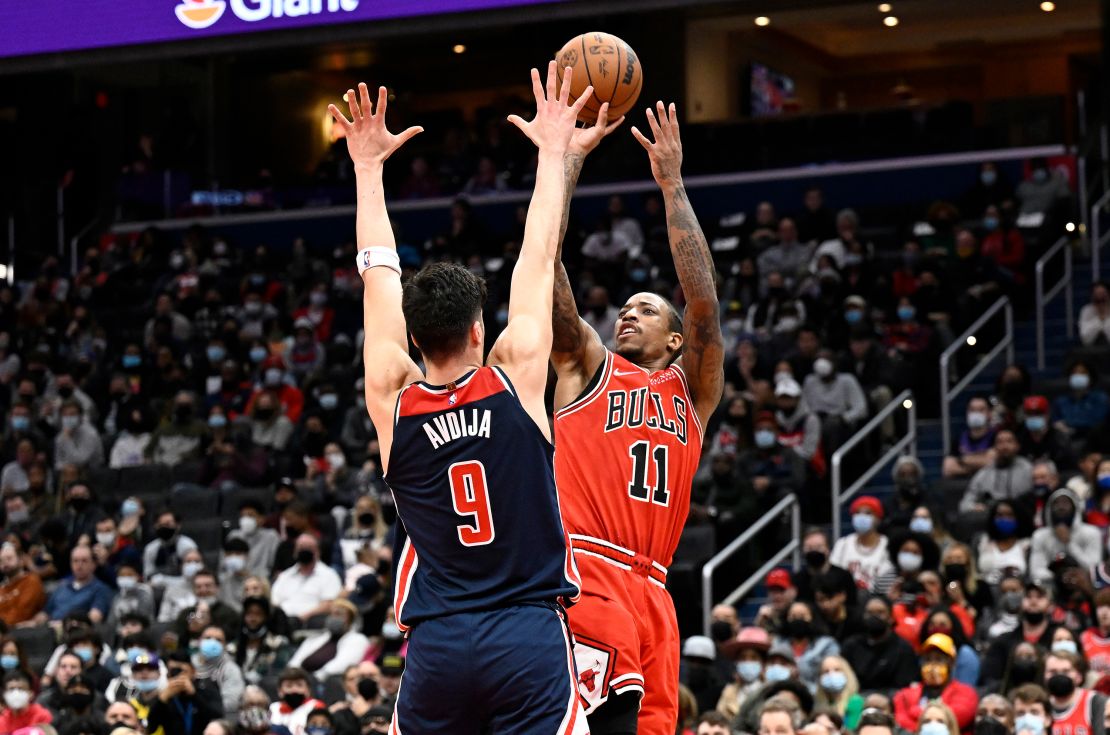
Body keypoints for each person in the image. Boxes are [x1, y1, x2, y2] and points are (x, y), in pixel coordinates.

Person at [333, 68, 591, 733]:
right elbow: (538, 254)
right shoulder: (515, 374)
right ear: (481, 328)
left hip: (439, 645)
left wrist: (367, 170)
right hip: (526, 634)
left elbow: (377, 273)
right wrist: (553, 153)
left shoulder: (393, 396)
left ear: (414, 337)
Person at [892, 633, 978, 732]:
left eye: (939, 659)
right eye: (928, 659)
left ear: (952, 663)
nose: (932, 665)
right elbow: (900, 722)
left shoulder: (967, 693)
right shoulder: (905, 694)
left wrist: (913, 712)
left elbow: (952, 721)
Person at [840, 596, 918, 693]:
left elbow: (905, 688)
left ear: (891, 618)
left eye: (880, 612)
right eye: (870, 613)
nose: (874, 617)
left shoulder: (903, 649)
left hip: (890, 702)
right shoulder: (851, 646)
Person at [1029, 487, 1102, 584]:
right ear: (1049, 509)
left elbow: (1094, 568)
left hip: (1083, 583)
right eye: (1056, 503)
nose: (1061, 507)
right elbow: (1036, 571)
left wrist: (1069, 543)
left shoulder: (1092, 532)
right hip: (1051, 583)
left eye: (1065, 503)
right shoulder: (1040, 535)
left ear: (1075, 508)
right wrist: (1060, 578)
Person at [286, 600, 368, 682]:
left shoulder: (358, 640)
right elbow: (296, 660)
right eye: (332, 614)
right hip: (301, 679)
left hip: (327, 682)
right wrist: (292, 674)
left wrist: (315, 678)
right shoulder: (318, 637)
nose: (334, 618)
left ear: (350, 619)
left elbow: (342, 665)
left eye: (338, 614)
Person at [146, 650, 224, 735]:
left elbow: (218, 718)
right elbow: (151, 728)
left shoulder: (206, 690)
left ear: (193, 671)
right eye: (172, 671)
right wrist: (162, 700)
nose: (177, 675)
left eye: (180, 670)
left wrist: (194, 695)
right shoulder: (164, 696)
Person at [269, 535, 341, 624]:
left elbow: (329, 604)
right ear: (295, 552)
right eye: (301, 548)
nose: (304, 551)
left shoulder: (329, 575)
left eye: (309, 548)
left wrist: (302, 618)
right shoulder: (285, 576)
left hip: (312, 622)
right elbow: (274, 602)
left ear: (317, 551)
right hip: (283, 622)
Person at [959, 429, 1034, 513]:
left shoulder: (1028, 469)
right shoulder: (984, 473)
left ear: (1017, 446)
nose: (1004, 446)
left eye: (1009, 441)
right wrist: (974, 507)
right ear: (994, 447)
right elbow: (964, 504)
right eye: (1000, 442)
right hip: (992, 518)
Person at [35, 545, 114, 625]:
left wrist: (58, 625)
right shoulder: (62, 586)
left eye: (84, 561)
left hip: (74, 633)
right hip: (47, 630)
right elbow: (44, 614)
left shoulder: (101, 589)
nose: (79, 565)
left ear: (93, 565)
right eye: (75, 561)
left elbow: (94, 619)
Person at [830, 496, 894, 594]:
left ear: (878, 518)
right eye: (857, 512)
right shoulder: (842, 544)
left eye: (868, 513)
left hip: (877, 599)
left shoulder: (888, 545)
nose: (861, 516)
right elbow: (833, 575)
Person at [1043, 650, 1106, 735]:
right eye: (1053, 672)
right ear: (1044, 675)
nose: (1059, 676)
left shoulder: (1096, 702)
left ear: (1079, 676)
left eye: (1066, 671)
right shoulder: (1041, 705)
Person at [0, 541, 45, 626]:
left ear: (21, 560)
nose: (4, 563)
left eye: (9, 558)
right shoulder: (1, 587)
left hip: (20, 631)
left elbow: (20, 615)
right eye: (1, 561)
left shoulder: (31, 581)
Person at [269, 668, 326, 735]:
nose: (294, 689)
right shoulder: (274, 708)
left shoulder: (316, 707)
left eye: (299, 685)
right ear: (280, 691)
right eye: (289, 686)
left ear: (308, 690)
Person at [813, 656, 864, 731]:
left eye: (837, 670)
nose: (831, 674)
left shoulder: (855, 701)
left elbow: (853, 731)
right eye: (826, 671)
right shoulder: (818, 705)